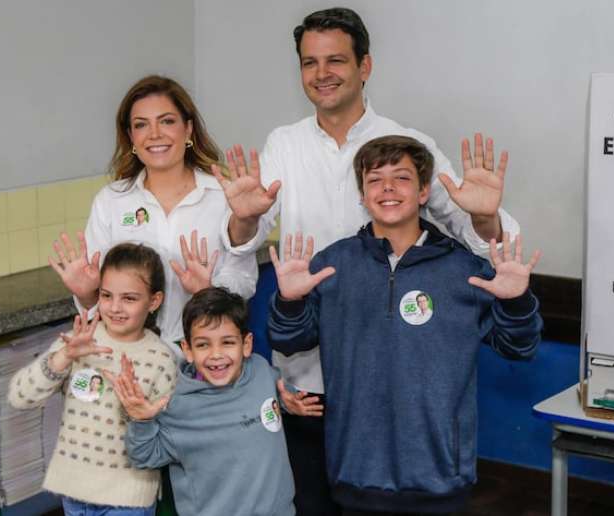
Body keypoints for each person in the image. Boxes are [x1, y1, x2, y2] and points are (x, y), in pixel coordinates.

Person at [214, 8, 521, 514]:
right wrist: (245, 220)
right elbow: (240, 247)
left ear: (365, 66)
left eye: (336, 59)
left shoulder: (408, 143)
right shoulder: (283, 145)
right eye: (309, 63)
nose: (322, 73)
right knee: (316, 501)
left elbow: (478, 233)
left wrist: (487, 219)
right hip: (309, 377)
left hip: (393, 377)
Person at [268, 135, 543, 514]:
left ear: (424, 191)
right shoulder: (333, 264)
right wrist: (290, 300)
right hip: (357, 473)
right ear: (362, 196)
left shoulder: (463, 269)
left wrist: (516, 300)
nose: (388, 189)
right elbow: (289, 339)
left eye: (401, 178)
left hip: (439, 477)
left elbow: (519, 346)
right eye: (375, 180)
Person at [49, 75, 257, 350]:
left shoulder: (223, 196)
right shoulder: (111, 201)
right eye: (141, 125)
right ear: (131, 137)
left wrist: (208, 292)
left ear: (189, 129)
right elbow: (100, 302)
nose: (155, 134)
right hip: (130, 360)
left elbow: (244, 281)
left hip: (206, 360)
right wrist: (87, 295)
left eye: (167, 121)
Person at [106, 287, 320, 516]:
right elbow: (144, 456)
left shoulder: (260, 371)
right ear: (187, 350)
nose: (216, 354)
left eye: (227, 342)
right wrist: (141, 419)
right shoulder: (176, 405)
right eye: (203, 345)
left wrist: (288, 401)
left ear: (246, 345)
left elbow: (275, 390)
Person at [8, 243, 178, 515]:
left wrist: (139, 414)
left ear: (154, 301)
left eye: (130, 298)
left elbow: (168, 443)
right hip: (74, 494)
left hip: (127, 500)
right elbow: (20, 397)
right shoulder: (80, 341)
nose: (115, 307)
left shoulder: (161, 359)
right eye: (106, 295)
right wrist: (64, 356)